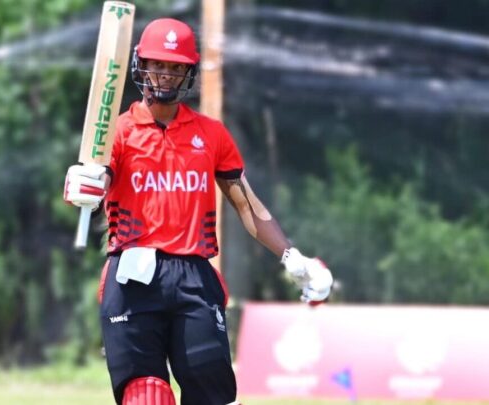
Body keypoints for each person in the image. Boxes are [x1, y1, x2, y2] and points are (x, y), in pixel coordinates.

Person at [63, 17, 333, 405]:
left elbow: (245, 203)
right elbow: (96, 181)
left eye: (176, 67)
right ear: (142, 66)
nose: (167, 75)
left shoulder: (210, 134)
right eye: (158, 65)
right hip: (132, 279)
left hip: (194, 278)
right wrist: (82, 185)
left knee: (213, 398)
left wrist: (292, 256)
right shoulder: (117, 132)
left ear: (188, 72)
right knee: (146, 398)